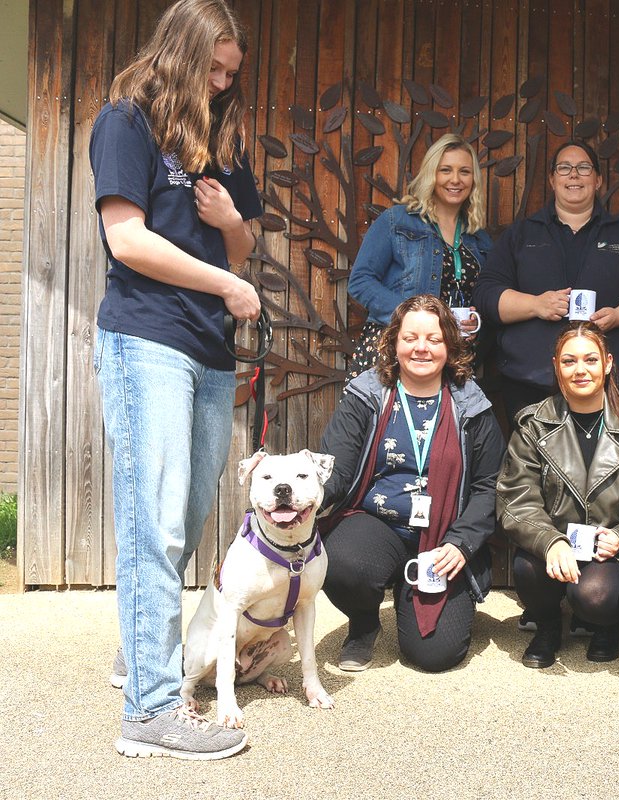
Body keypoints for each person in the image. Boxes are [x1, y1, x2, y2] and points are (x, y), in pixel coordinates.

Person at [91, 0, 261, 760]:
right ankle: (152, 708)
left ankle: (141, 655)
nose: (223, 83)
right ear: (181, 54)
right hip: (147, 338)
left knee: (185, 520)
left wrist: (229, 219)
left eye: (232, 72)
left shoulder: (224, 138)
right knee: (154, 524)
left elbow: (246, 248)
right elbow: (126, 240)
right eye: (213, 69)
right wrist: (222, 285)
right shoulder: (125, 122)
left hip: (210, 353)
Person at [318, 295, 504, 674]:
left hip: (444, 537)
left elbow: (491, 484)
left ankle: (428, 595)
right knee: (340, 562)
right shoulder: (366, 394)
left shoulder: (472, 404)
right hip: (377, 525)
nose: (421, 347)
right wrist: (298, 495)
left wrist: (463, 542)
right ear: (394, 342)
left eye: (434, 339)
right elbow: (337, 471)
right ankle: (365, 622)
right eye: (411, 337)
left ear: (450, 346)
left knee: (434, 657)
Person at [495, 324, 619, 667]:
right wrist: (551, 541)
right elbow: (516, 498)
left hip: (608, 551)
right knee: (528, 569)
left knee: (594, 596)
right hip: (554, 544)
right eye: (569, 361)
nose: (580, 370)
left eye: (590, 359)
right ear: (556, 365)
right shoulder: (533, 426)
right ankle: (547, 625)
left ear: (607, 364)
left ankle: (606, 625)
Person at [473, 140, 619, 423]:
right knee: (535, 466)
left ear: (598, 180)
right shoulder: (522, 234)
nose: (574, 175)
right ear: (552, 180)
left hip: (612, 386)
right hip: (531, 385)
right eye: (564, 168)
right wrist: (536, 305)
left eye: (583, 168)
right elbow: (486, 295)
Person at [347, 133, 491, 379]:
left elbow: (487, 295)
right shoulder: (397, 220)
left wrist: (476, 322)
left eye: (464, 172)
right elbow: (361, 281)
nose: (455, 179)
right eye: (445, 170)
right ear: (431, 174)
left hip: (453, 357)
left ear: (474, 180)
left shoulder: (479, 238)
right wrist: (412, 318)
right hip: (393, 351)